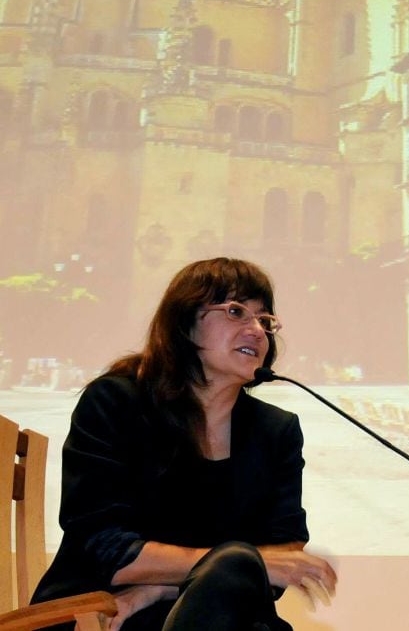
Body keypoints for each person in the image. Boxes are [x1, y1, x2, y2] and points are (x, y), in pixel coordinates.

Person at [31, 257, 337, 631]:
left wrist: (157, 589)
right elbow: (103, 547)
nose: (257, 330)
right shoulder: (116, 402)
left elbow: (282, 557)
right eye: (236, 311)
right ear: (184, 322)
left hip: (211, 611)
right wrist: (229, 563)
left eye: (265, 320)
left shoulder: (277, 430)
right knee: (238, 565)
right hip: (100, 613)